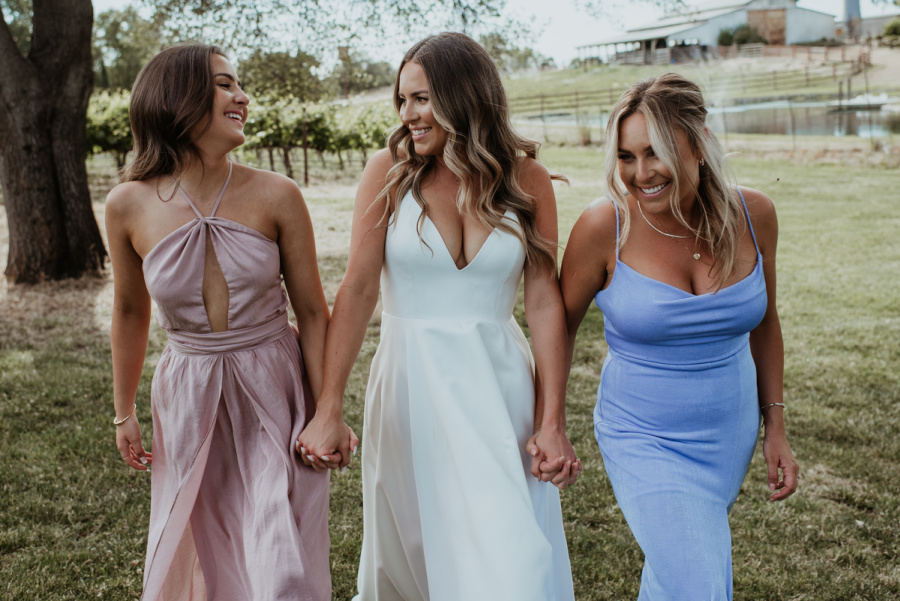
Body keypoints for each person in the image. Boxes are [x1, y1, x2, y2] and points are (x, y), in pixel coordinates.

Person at [295, 32, 579, 600]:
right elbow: (356, 291)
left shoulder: (526, 179)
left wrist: (552, 421)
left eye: (421, 98)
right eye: (402, 100)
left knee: (513, 558)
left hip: (500, 391)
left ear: (463, 95)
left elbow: (545, 298)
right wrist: (329, 408)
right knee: (420, 558)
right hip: (410, 387)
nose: (408, 114)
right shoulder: (389, 172)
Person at [107, 43, 353, 601]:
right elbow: (128, 311)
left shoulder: (277, 195)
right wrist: (123, 412)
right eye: (224, 84)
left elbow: (314, 311)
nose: (241, 96)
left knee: (284, 564)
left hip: (275, 384)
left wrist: (328, 409)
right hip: (189, 394)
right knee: (206, 547)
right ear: (178, 97)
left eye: (238, 85)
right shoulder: (128, 205)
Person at [560, 73, 799, 600]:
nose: (639, 174)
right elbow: (557, 330)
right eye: (626, 157)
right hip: (642, 435)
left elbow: (766, 322)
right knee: (698, 582)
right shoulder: (604, 228)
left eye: (655, 153)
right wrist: (550, 422)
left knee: (676, 578)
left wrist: (774, 427)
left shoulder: (755, 215)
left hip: (726, 435)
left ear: (697, 143)